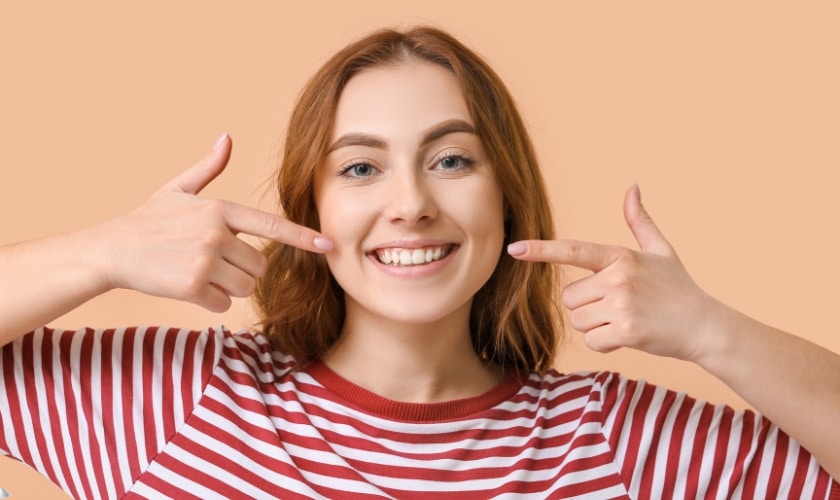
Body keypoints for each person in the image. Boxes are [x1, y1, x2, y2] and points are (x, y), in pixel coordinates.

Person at [1, 25, 838, 499]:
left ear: (506, 197)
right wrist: (102, 252)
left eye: (452, 160)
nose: (410, 203)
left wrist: (711, 331)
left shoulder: (612, 439)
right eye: (361, 168)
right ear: (311, 208)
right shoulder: (180, 402)